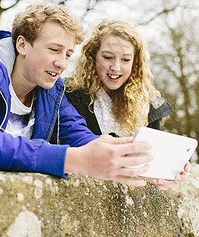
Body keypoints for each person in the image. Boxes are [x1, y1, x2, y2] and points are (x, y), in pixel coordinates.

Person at [0, 3, 157, 187]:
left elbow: (84, 140)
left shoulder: (50, 91)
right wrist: (72, 159)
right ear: (22, 44)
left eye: (67, 54)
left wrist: (146, 166)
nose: (61, 63)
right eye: (54, 50)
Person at [65, 20, 191, 189]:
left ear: (135, 63)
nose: (115, 67)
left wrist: (168, 170)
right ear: (93, 56)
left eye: (125, 59)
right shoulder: (69, 94)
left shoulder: (149, 104)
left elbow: (150, 161)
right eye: (108, 57)